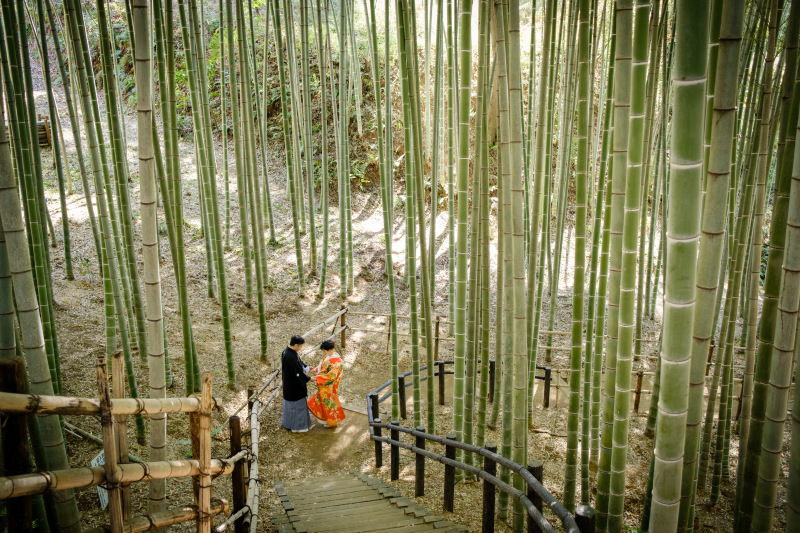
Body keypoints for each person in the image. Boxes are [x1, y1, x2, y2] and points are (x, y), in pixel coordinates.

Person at [307, 340, 345, 428]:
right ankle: (325, 419)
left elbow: (331, 376)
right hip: (325, 384)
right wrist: (316, 370)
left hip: (328, 385)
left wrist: (316, 378)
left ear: (328, 349)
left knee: (328, 402)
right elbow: (323, 366)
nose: (323, 352)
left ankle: (331, 421)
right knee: (323, 401)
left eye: (324, 350)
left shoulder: (336, 361)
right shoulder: (331, 356)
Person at [282, 335, 312, 433]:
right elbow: (297, 372)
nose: (301, 348)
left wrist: (307, 368)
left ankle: (290, 424)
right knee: (297, 407)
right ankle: (297, 427)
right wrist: (309, 378)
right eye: (300, 346)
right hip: (294, 386)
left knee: (292, 407)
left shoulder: (288, 352)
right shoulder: (290, 356)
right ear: (295, 345)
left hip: (289, 384)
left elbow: (299, 364)